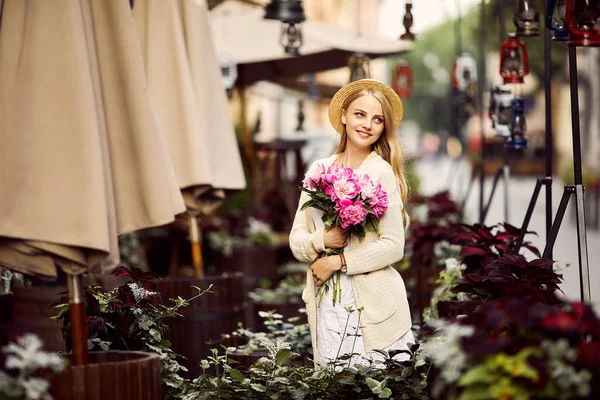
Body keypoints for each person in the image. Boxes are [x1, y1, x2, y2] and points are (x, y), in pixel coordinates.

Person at [289, 79, 414, 368]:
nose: (368, 124)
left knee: (371, 386)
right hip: (326, 302)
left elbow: (394, 246)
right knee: (334, 384)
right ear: (343, 115)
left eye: (377, 119)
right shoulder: (319, 171)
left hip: (374, 305)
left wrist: (338, 261)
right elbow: (296, 238)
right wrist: (322, 242)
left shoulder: (381, 173)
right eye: (360, 114)